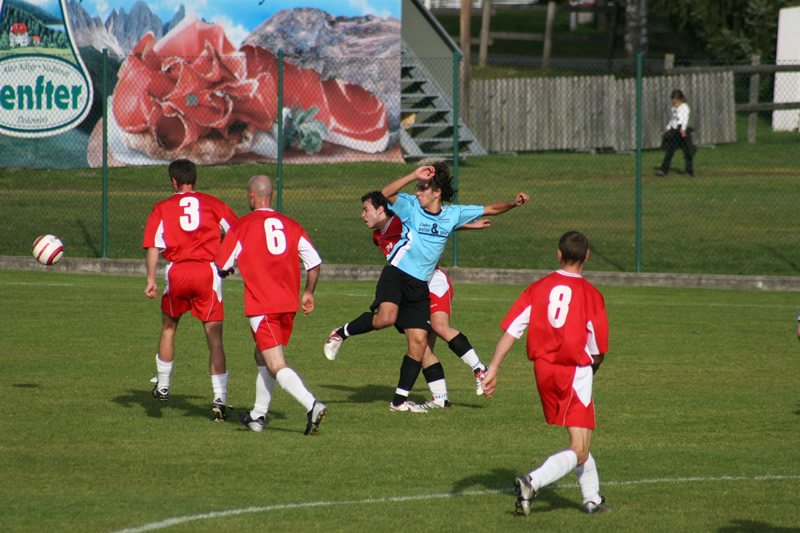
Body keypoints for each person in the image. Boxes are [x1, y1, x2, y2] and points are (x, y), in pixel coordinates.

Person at [323, 162, 529, 412]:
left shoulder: (453, 214)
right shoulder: (410, 207)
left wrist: (513, 204)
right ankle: (341, 333)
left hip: (420, 285)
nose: (418, 192)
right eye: (418, 188)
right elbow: (385, 194)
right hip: (397, 274)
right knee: (386, 319)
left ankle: (399, 402)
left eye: (423, 188)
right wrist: (413, 175)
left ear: (437, 192)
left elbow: (491, 209)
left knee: (419, 345)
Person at [482, 231, 611, 516]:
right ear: (587, 256)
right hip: (574, 372)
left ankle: (592, 499)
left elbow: (511, 331)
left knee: (583, 441)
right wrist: (592, 370)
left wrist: (493, 369)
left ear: (559, 254)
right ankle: (533, 481)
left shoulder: (538, 288)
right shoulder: (592, 295)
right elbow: (598, 349)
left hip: (543, 370)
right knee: (579, 447)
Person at [348, 190, 492, 401]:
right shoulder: (377, 236)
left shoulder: (401, 220)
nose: (362, 215)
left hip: (432, 280)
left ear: (380, 210)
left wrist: (467, 225)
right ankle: (441, 400)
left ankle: (479, 369)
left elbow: (431, 226)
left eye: (365, 209)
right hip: (411, 287)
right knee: (420, 347)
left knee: (439, 327)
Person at [215, 175, 327, 436]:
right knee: (261, 356)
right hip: (287, 305)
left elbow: (221, 265)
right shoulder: (291, 225)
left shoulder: (242, 226)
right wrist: (308, 292)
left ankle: (312, 405)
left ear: (252, 195)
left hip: (262, 305)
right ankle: (257, 416)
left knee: (276, 364)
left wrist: (228, 269)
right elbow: (314, 261)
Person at [143, 158, 237, 421]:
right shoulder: (213, 203)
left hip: (178, 272)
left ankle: (163, 386)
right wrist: (226, 262)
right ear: (195, 179)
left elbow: (153, 244)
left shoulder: (162, 207)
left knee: (169, 328)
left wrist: (150, 279)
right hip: (207, 272)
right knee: (214, 339)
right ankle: (220, 398)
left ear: (174, 181)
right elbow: (236, 232)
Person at [656, 89, 695, 177]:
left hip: (682, 131)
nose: (675, 103)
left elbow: (684, 119)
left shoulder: (685, 107)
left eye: (676, 101)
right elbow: (673, 119)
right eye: (673, 101)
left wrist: (683, 129)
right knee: (670, 151)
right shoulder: (674, 108)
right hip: (675, 131)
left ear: (680, 99)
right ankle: (664, 170)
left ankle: (689, 171)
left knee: (687, 152)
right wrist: (668, 127)